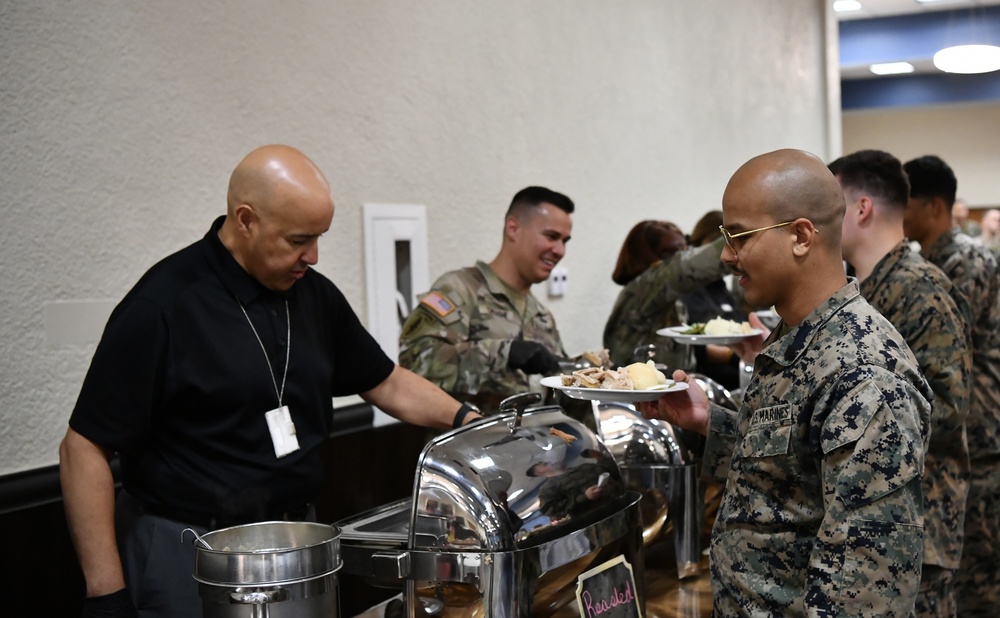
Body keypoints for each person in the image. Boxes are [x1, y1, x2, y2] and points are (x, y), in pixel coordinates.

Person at [58, 145, 481, 618]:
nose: (314, 256)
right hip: (190, 549)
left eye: (319, 238)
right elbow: (83, 449)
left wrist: (467, 419)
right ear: (245, 220)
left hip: (297, 544)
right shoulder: (164, 304)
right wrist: (106, 594)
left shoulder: (311, 295)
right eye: (299, 239)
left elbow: (387, 383)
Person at [642, 148, 931, 616]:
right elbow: (792, 473)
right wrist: (709, 422)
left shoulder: (865, 375)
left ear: (801, 236)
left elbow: (864, 592)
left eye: (739, 236)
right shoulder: (797, 337)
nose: (726, 255)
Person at [829, 149, 972, 617]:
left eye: (830, 207)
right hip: (870, 520)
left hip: (918, 521)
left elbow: (950, 407)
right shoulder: (861, 291)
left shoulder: (920, 289)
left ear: (861, 209)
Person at [903, 154, 1000, 616]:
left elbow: (946, 339)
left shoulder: (967, 260)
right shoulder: (933, 261)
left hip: (981, 438)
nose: (897, 214)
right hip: (962, 438)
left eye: (906, 202)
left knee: (981, 576)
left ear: (934, 206)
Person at [398, 186, 573, 414]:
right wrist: (504, 353)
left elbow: (556, 396)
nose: (559, 250)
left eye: (565, 241)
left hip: (533, 446)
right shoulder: (460, 290)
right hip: (466, 446)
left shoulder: (541, 316)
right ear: (513, 228)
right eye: (551, 236)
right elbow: (414, 364)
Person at [602, 220, 728, 369]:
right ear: (644, 256)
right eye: (673, 253)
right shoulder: (643, 290)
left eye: (685, 249)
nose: (683, 256)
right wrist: (743, 236)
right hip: (635, 388)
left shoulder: (667, 299)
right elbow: (691, 266)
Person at [679, 210, 747, 390]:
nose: (725, 255)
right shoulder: (685, 287)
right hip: (706, 379)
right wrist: (733, 357)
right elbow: (692, 346)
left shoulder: (718, 285)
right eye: (718, 245)